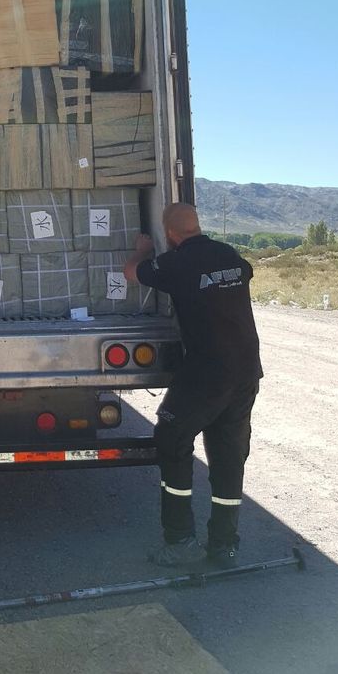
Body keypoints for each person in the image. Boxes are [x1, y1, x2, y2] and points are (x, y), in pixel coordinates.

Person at [124, 203, 262, 569]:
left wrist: (142, 252)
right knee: (228, 457)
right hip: (246, 372)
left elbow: (130, 273)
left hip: (206, 373)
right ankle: (224, 546)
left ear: (169, 234)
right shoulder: (228, 254)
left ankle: (181, 539)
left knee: (171, 437)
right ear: (198, 225)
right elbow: (244, 273)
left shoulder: (176, 263)